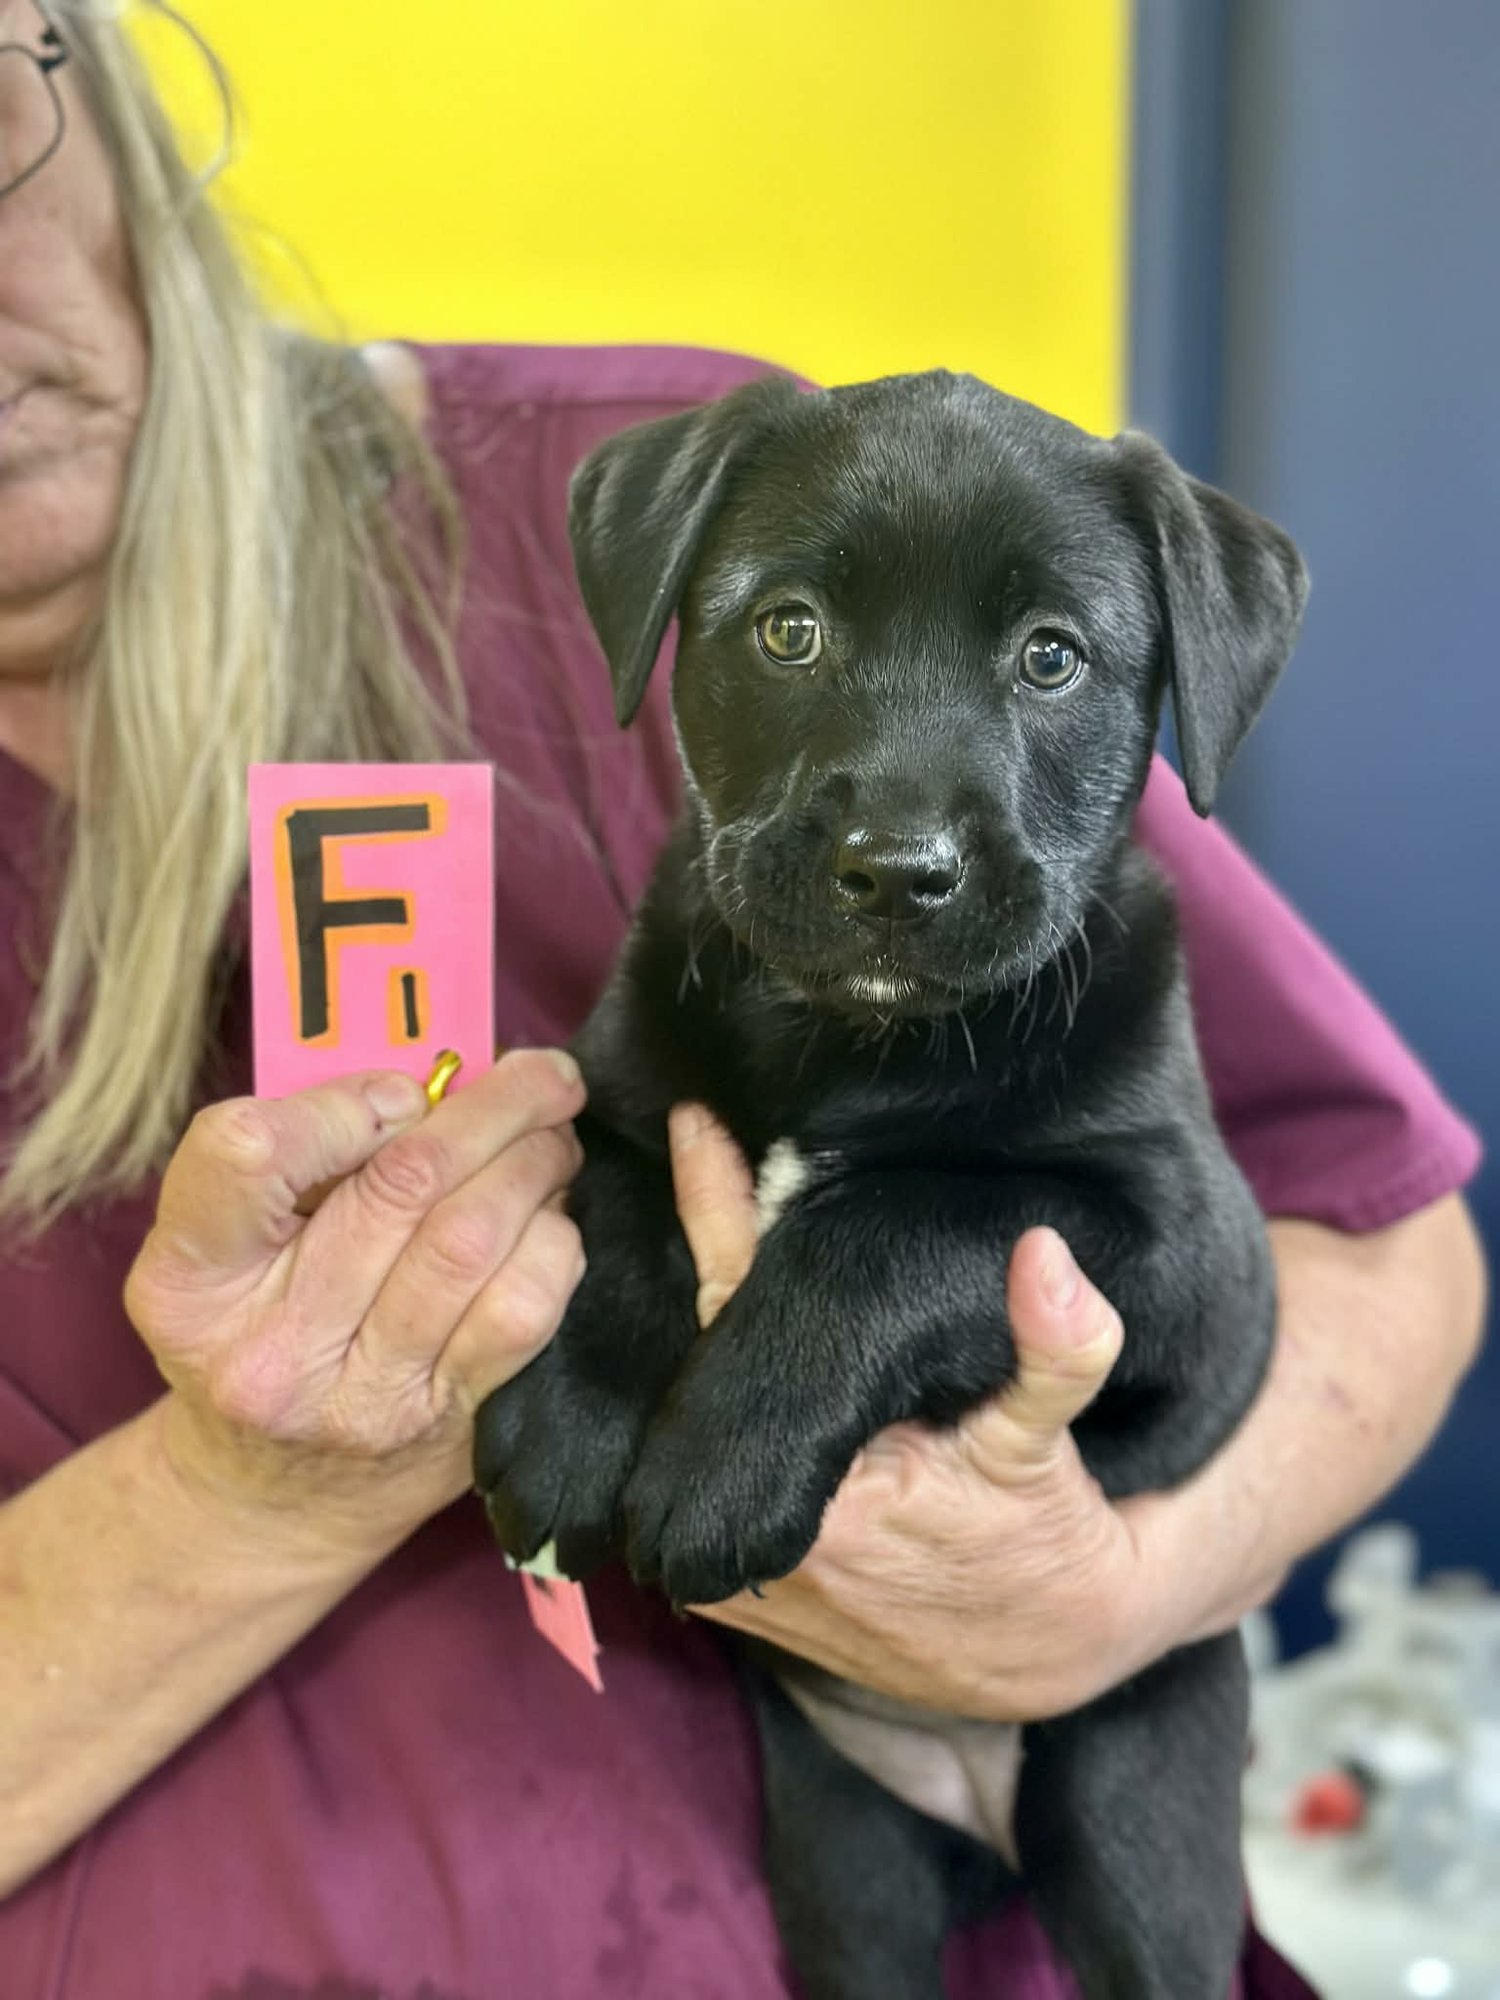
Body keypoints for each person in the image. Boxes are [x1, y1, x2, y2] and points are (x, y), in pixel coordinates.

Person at [0, 3, 1485, 1995]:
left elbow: (1388, 1247)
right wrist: (238, 1498)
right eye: (791, 636)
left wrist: (1096, 1596)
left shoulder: (708, 490)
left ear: (104, 84)